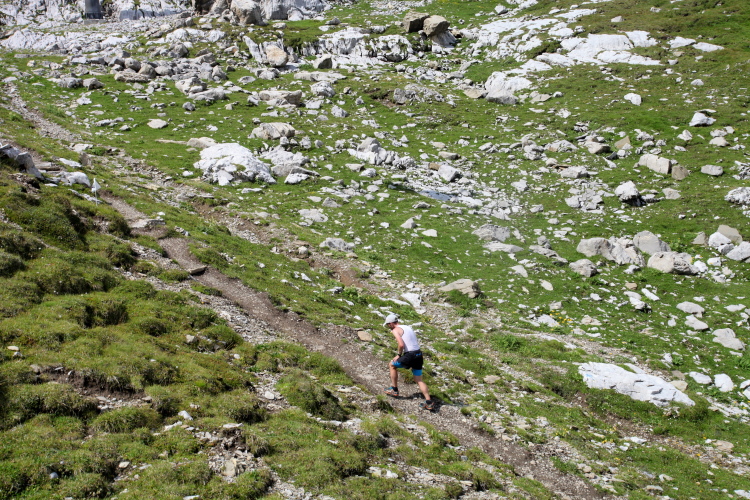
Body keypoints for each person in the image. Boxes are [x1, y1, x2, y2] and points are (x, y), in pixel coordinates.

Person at [383, 313, 434, 410]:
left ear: (391, 323)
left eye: (388, 324)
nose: (388, 326)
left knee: (392, 365)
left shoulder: (395, 330)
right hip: (418, 354)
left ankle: (394, 389)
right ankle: (429, 401)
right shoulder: (407, 327)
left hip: (410, 355)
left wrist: (399, 354)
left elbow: (401, 344)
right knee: (419, 379)